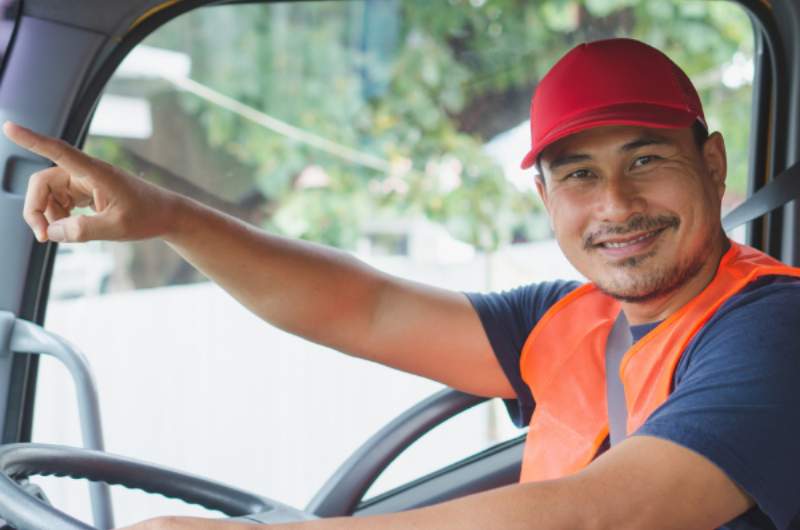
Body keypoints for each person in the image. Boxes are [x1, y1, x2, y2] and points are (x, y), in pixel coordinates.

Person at [5, 37, 800, 530]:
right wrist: (169, 215)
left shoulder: (773, 326)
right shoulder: (568, 319)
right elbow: (362, 306)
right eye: (581, 175)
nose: (617, 205)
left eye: (647, 160)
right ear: (546, 200)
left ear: (713, 164)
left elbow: (603, 514)